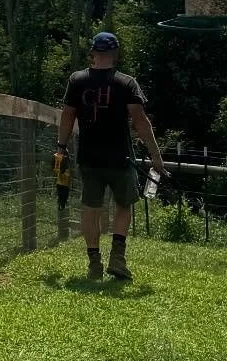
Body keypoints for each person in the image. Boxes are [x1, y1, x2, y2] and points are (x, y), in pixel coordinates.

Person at [56, 32, 166, 281]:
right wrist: (155, 156)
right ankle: (117, 257)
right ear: (115, 54)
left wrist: (60, 147)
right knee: (124, 205)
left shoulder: (77, 80)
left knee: (90, 208)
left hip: (89, 158)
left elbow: (67, 117)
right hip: (120, 158)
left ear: (92, 52)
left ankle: (94, 262)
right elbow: (141, 122)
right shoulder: (126, 83)